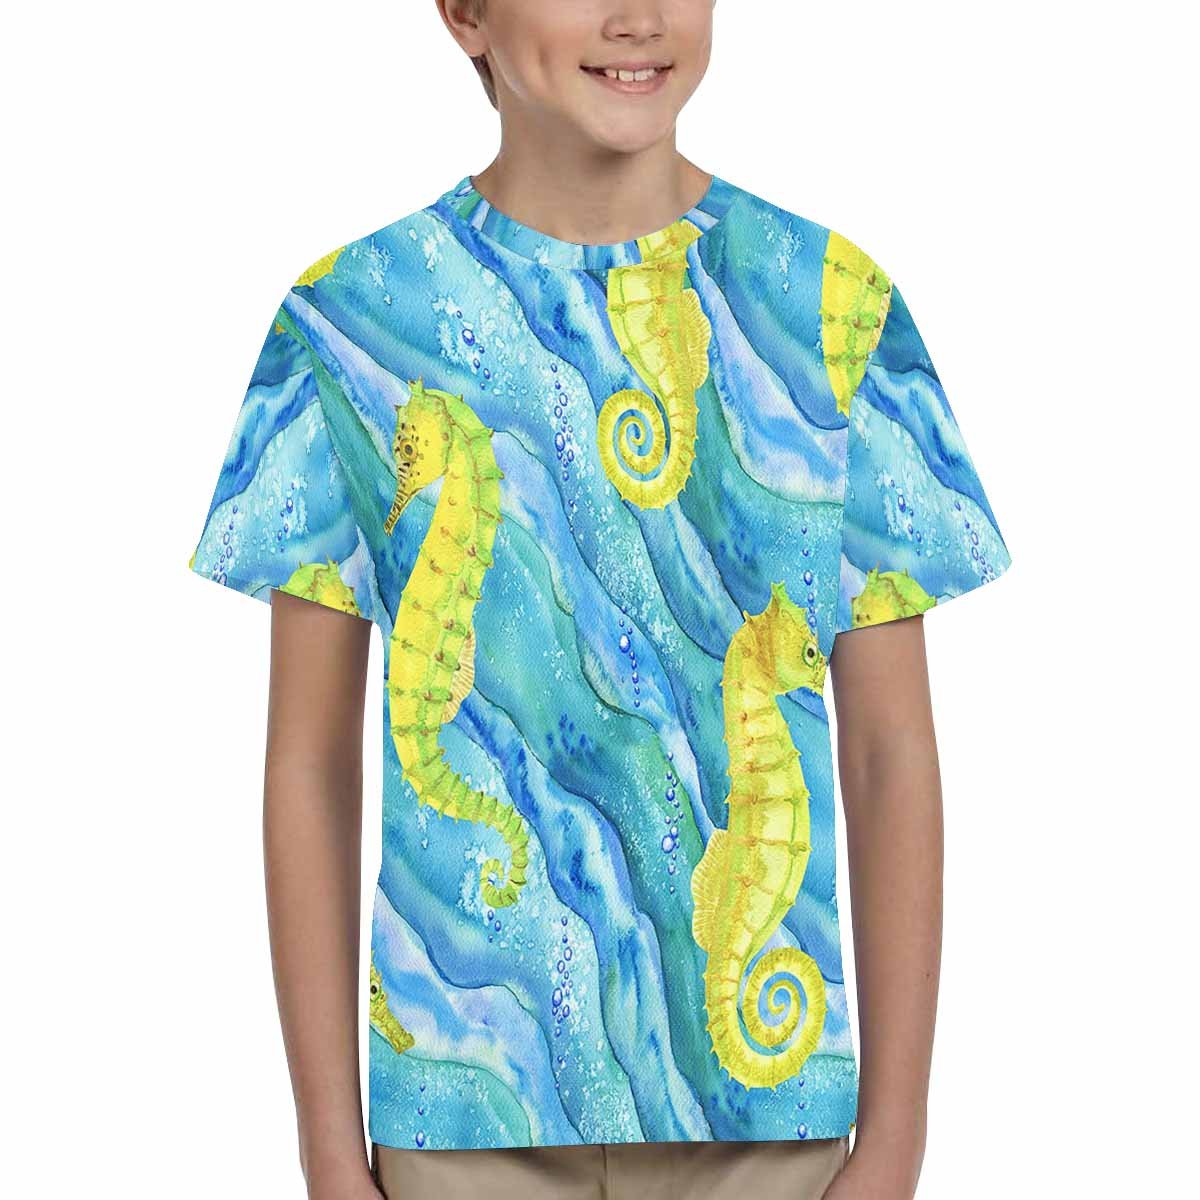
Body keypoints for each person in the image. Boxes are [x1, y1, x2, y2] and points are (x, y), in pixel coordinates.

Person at [186, 2, 1012, 1197]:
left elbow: (892, 754)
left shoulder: (831, 305)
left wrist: (894, 1143)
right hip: (460, 1122)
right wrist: (326, 1142)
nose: (638, 15)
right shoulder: (350, 318)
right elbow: (307, 766)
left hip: (771, 1127)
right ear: (464, 13)